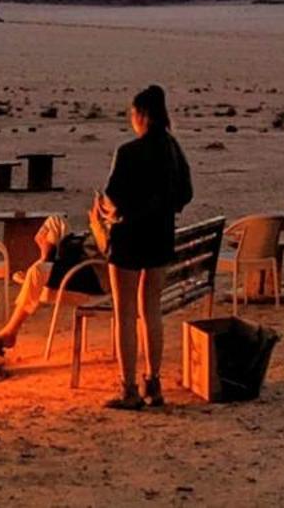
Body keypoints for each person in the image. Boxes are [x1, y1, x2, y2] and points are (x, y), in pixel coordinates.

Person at [94, 84, 193, 409]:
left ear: (140, 116)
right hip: (160, 238)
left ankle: (129, 388)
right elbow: (185, 194)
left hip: (128, 241)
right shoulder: (173, 150)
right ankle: (154, 383)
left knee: (124, 314)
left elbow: (113, 198)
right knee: (151, 312)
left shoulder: (129, 153)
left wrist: (109, 213)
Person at [0, 215, 104, 354]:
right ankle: (42, 263)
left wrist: (96, 222)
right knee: (56, 221)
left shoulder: (120, 223)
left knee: (37, 271)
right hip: (87, 258)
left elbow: (106, 247)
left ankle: (10, 333)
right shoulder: (114, 214)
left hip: (95, 275)